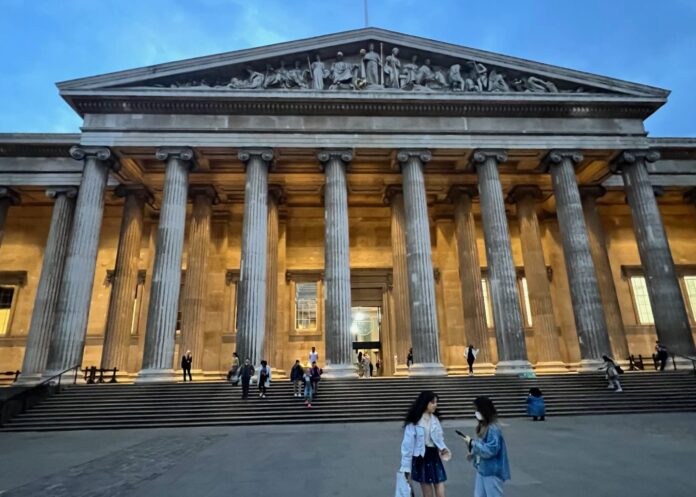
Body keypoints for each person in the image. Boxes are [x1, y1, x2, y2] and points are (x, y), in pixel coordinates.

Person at [400, 391, 450, 497]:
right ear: (425, 403)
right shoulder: (415, 422)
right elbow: (407, 445)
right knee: (427, 493)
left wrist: (443, 448)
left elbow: (440, 438)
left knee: (440, 490)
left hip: (434, 456)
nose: (435, 405)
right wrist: (405, 467)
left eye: (436, 402)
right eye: (432, 402)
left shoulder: (435, 420)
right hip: (421, 457)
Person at [458, 396, 511, 497]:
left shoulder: (493, 428)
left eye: (477, 409)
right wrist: (472, 453)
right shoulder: (484, 426)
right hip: (482, 469)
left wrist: (472, 443)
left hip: (492, 471)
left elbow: (490, 450)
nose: (476, 412)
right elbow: (482, 445)